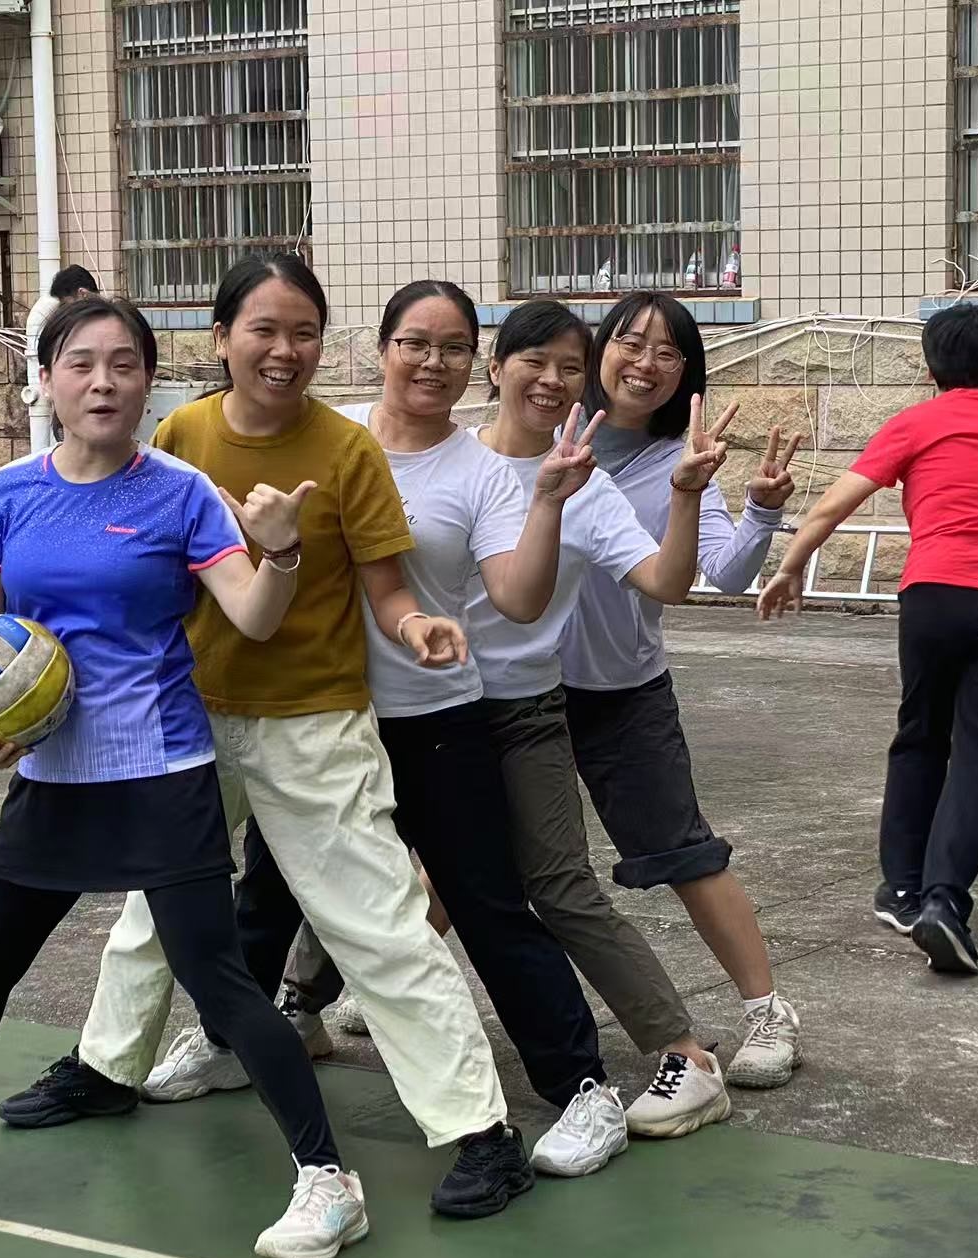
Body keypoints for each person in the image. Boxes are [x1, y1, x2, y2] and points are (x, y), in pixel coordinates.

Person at [1, 256, 539, 1219]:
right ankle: (107, 1067)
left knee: (377, 922)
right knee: (152, 914)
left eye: (303, 333)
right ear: (221, 339)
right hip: (186, 719)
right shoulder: (181, 436)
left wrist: (418, 625)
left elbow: (387, 588)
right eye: (264, 329)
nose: (284, 350)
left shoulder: (347, 451)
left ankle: (480, 1133)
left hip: (313, 722)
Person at [0, 296, 366, 1258]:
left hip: (162, 771)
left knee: (220, 985)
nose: (103, 381)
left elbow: (252, 617)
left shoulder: (181, 492)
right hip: (52, 774)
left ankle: (328, 1180)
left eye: (125, 363)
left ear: (147, 381)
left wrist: (283, 549)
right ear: (45, 380)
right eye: (80, 363)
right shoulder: (6, 493)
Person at [232, 281, 670, 1178]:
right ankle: (222, 1039)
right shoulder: (331, 437)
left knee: (486, 904)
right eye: (415, 343)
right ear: (382, 348)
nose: (433, 363)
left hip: (435, 713)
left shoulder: (478, 470)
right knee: (268, 892)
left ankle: (582, 1088)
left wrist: (546, 501)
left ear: (476, 361)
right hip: (318, 712)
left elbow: (517, 596)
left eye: (454, 348)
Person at [758, 302, 978, 976]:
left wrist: (790, 567)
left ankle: (903, 890)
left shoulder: (916, 422)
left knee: (922, 734)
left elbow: (835, 503)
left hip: (935, 595)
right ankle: (944, 902)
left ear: (931, 368)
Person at [559, 291, 806, 1089]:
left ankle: (768, 1012)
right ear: (599, 349)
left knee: (686, 852)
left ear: (687, 375)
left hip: (623, 694)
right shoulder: (549, 434)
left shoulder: (681, 461)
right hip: (521, 688)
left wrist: (760, 511)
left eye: (669, 353)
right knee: (465, 845)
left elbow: (725, 575)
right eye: (631, 342)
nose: (646, 363)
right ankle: (364, 988)